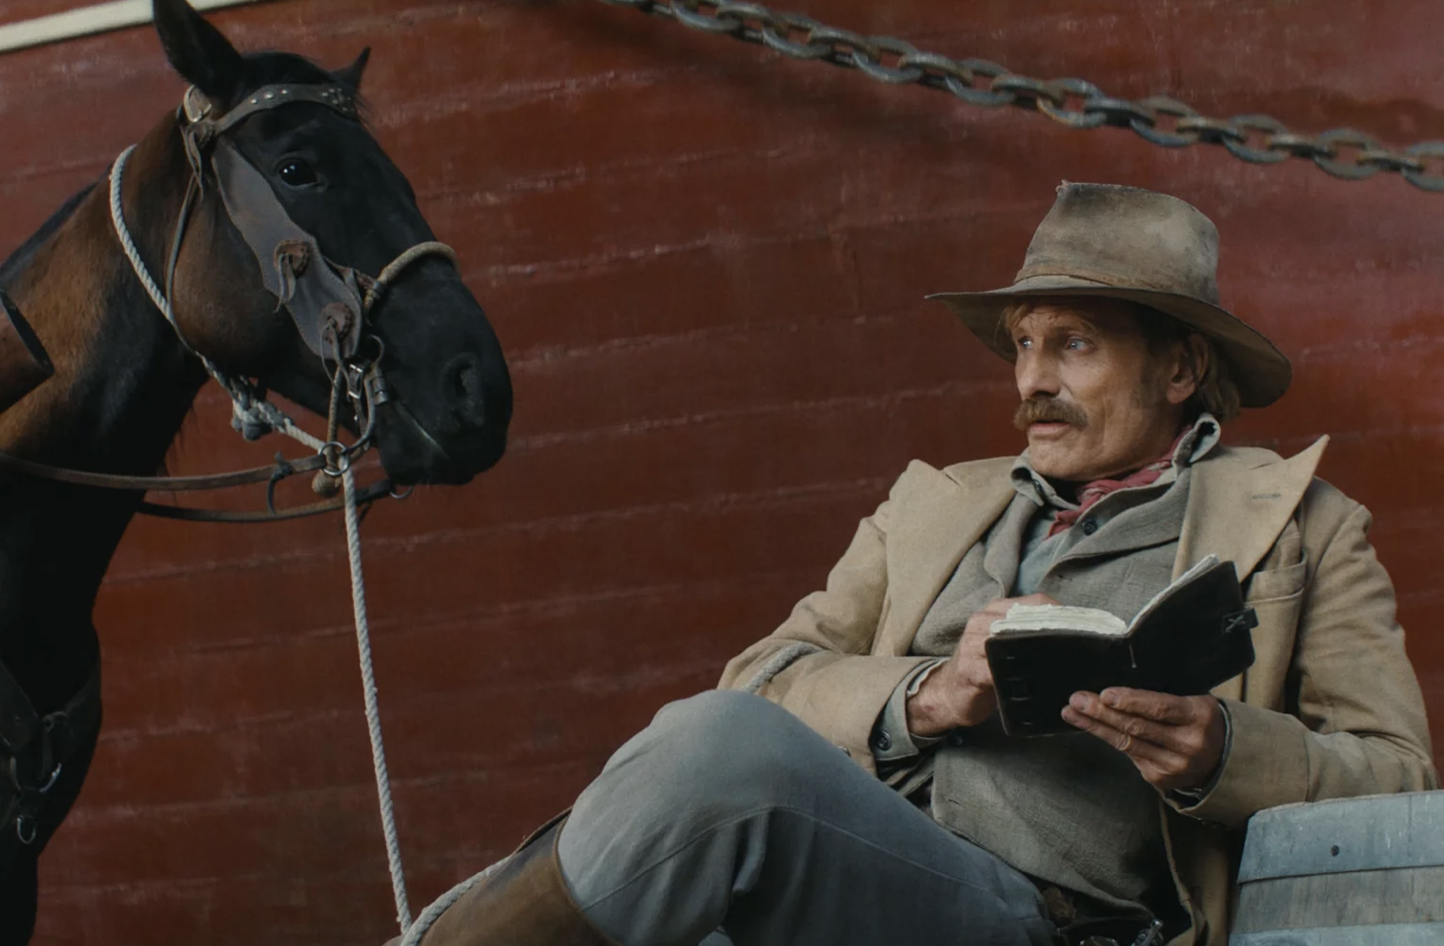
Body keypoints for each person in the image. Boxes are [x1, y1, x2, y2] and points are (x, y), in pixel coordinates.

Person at [403, 183, 1438, 946]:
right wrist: (929, 695)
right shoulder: (930, 506)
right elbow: (760, 677)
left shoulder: (1298, 523)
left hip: (1050, 919)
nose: (1030, 380)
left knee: (716, 761)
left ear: (1179, 367)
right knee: (703, 766)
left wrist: (1222, 750)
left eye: (1071, 345)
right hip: (845, 870)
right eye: (1021, 347)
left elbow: (1398, 775)